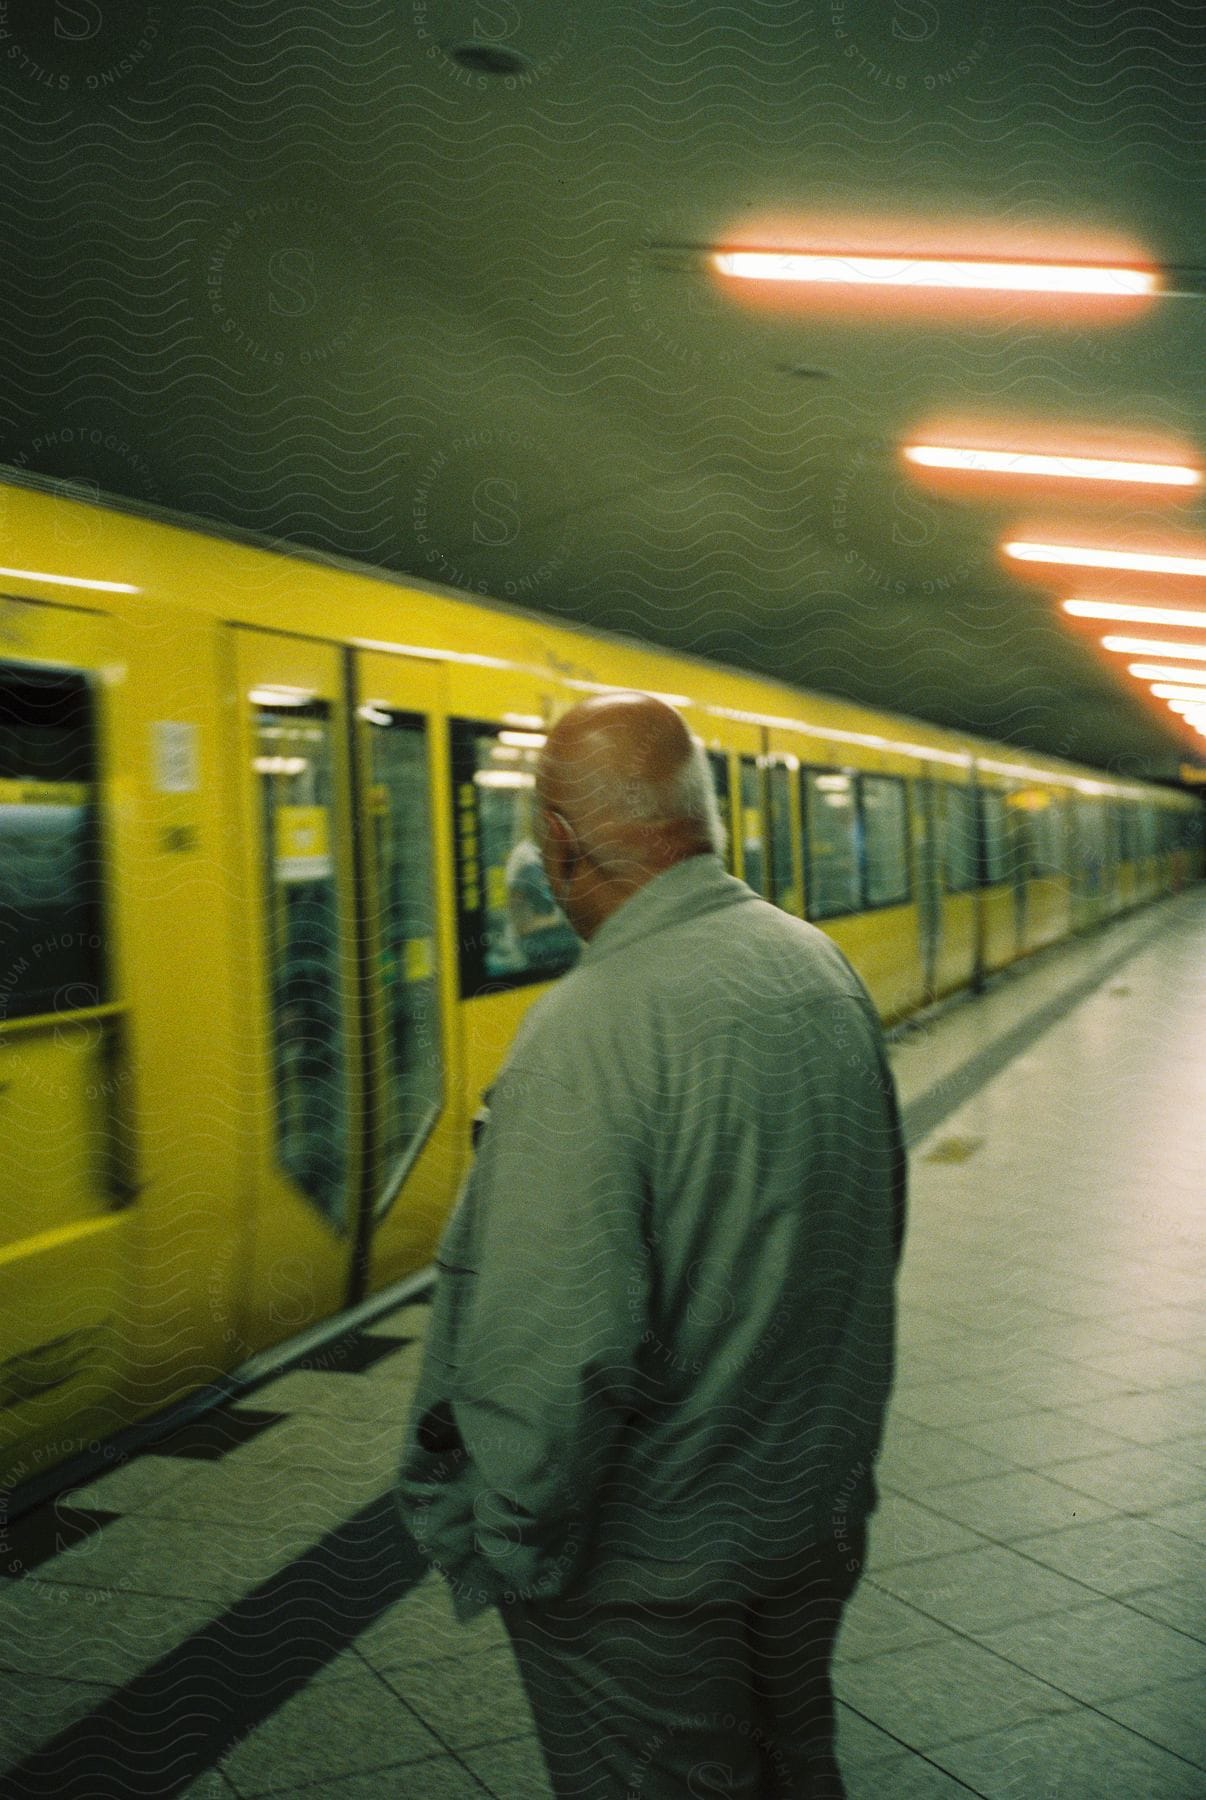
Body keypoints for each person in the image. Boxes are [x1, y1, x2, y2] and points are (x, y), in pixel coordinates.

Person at [396, 691, 907, 1799]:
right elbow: (877, 1239)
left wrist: (513, 1545)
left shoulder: (585, 1032)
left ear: (560, 845)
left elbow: (555, 1349)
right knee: (793, 1766)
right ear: (706, 824)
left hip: (649, 1574)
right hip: (807, 1520)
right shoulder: (821, 972)